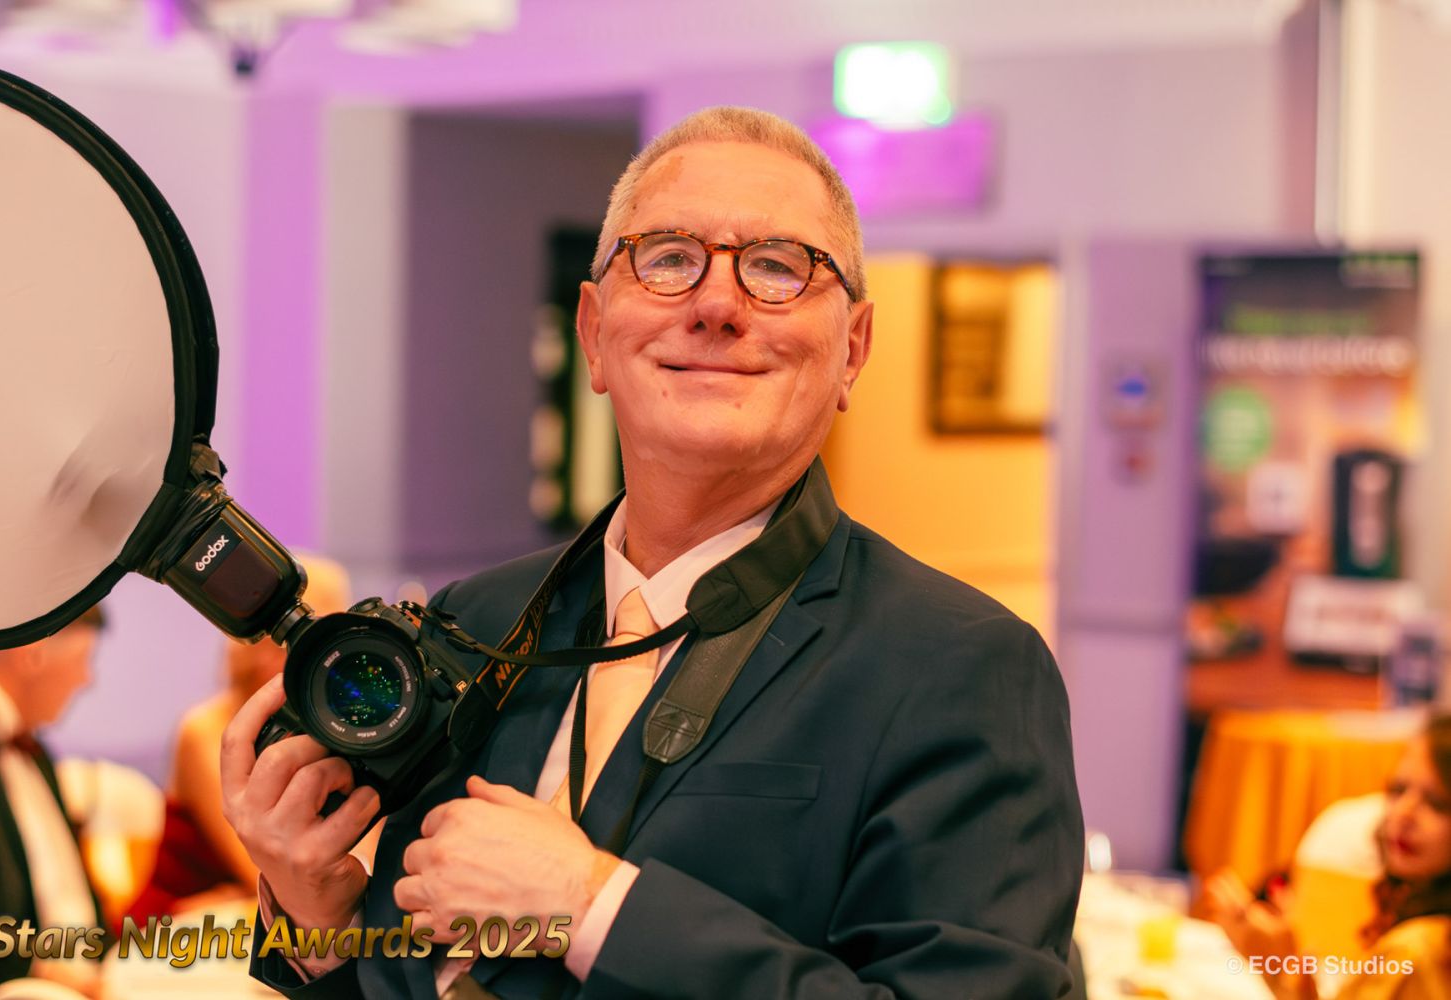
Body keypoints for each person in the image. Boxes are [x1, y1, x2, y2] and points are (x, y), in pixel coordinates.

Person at [223, 106, 1084, 999]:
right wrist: (321, 919)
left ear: (853, 351)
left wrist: (591, 906)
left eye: (779, 267)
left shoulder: (962, 666)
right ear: (594, 332)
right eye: (669, 258)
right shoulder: (473, 626)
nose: (717, 306)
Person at [126, 555, 353, 922]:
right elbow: (266, 868)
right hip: (173, 933)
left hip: (255, 922)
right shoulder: (207, 729)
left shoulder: (330, 732)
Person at [1206, 714, 1451, 999]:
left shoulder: (1418, 952)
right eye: (1398, 790)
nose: (1403, 813)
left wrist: (1281, 968)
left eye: (1436, 803)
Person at [0, 607, 106, 1000]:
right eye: (83, 659)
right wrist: (36, 963)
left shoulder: (31, 750)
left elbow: (65, 901)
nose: (87, 679)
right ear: (31, 654)